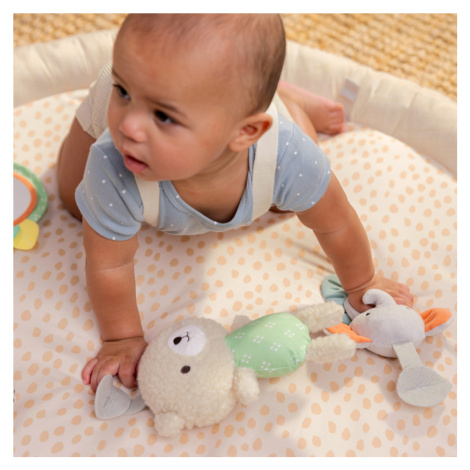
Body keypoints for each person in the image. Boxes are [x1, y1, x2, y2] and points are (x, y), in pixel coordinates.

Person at [57, 14, 413, 393]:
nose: (127, 125)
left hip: (265, 133)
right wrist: (122, 337)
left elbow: (336, 223)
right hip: (150, 122)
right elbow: (109, 263)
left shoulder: (286, 155)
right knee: (73, 200)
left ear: (247, 131)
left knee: (291, 200)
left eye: (162, 115)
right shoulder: (112, 162)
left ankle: (288, 100)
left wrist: (363, 282)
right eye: (124, 91)